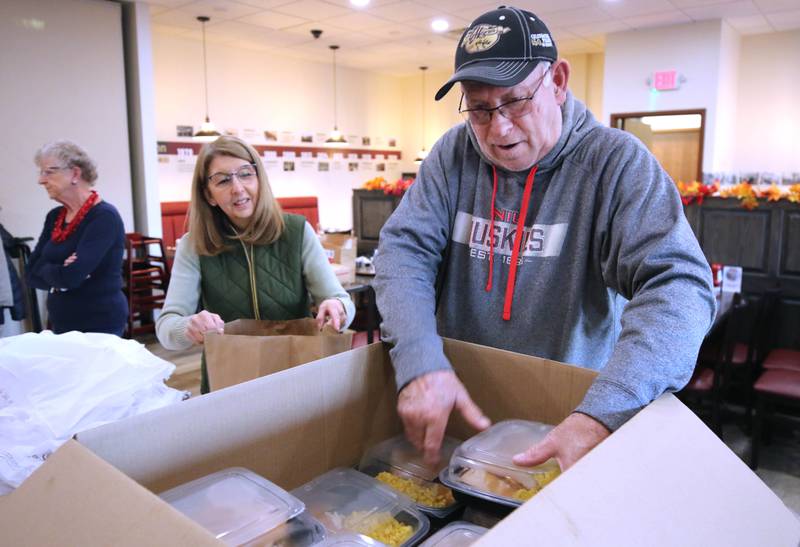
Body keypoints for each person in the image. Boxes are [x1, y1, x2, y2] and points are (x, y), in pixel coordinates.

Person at [373, 6, 715, 470]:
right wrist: (419, 360)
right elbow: (403, 252)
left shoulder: (614, 163)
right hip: (457, 418)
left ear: (557, 81)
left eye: (515, 101)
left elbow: (680, 289)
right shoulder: (452, 153)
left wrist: (603, 413)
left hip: (571, 424)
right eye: (478, 107)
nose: (499, 129)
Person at [156, 136, 355, 393]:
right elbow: (166, 327)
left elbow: (340, 300)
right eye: (223, 180)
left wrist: (337, 306)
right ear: (209, 195)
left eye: (245, 174)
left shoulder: (297, 231)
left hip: (297, 369)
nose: (237, 188)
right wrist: (189, 325)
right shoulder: (193, 245)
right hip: (229, 378)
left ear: (259, 179)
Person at [27, 141, 128, 336]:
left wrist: (53, 269)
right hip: (62, 320)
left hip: (99, 322)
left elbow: (71, 277)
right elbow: (31, 273)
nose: (41, 180)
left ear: (75, 174)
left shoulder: (104, 216)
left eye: (49, 172)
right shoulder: (55, 216)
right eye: (41, 172)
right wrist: (60, 270)